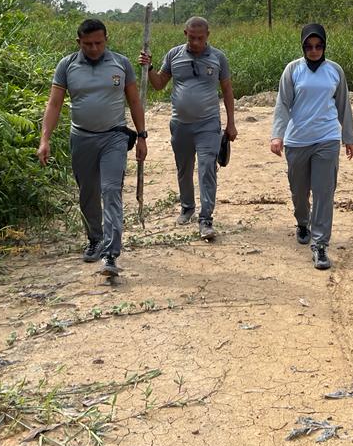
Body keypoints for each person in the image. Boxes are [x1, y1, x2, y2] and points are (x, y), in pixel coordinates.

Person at [37, 18, 148, 277]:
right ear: (79, 42)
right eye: (88, 44)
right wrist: (45, 139)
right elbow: (54, 104)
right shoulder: (67, 66)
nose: (94, 48)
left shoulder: (121, 63)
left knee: (111, 191)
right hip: (82, 138)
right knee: (88, 193)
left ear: (106, 39)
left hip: (114, 137)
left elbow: (133, 100)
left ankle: (111, 253)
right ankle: (95, 239)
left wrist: (142, 136)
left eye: (99, 43)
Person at [140, 16, 236, 242]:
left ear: (208, 35)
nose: (195, 42)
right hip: (180, 125)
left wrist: (231, 122)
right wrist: (149, 67)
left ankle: (206, 219)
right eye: (191, 38)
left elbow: (228, 91)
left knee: (207, 168)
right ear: (185, 34)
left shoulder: (218, 58)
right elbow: (158, 84)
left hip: (208, 124)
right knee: (183, 168)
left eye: (200, 38)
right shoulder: (174, 55)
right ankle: (187, 207)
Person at [270, 24, 353, 270]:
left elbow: (343, 105)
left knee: (323, 192)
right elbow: (283, 103)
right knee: (299, 191)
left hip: (327, 138)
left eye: (318, 46)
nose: (314, 50)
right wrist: (277, 135)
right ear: (303, 46)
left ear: (325, 46)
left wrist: (347, 137)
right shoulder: (293, 70)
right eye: (309, 46)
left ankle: (320, 245)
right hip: (297, 140)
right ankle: (302, 221)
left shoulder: (334, 71)